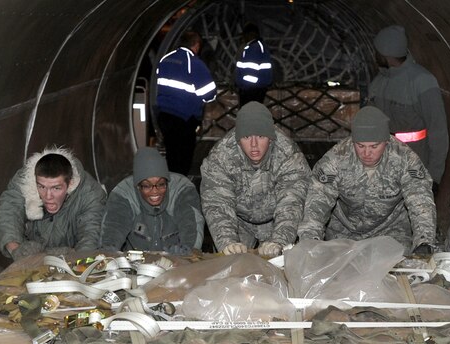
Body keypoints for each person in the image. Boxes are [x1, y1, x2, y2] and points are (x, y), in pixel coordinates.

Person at [298, 106, 436, 253]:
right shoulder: (336, 159)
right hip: (344, 232)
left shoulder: (405, 159)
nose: (366, 153)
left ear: (386, 142)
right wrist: (310, 241)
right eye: (360, 146)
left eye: (374, 146)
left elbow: (420, 201)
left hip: (391, 232)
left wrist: (424, 241)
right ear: (353, 141)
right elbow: (317, 202)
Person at [200, 101, 310, 256]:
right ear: (238, 140)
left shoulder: (288, 155)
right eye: (246, 137)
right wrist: (227, 242)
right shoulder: (221, 156)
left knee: (283, 269)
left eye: (260, 136)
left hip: (276, 221)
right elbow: (217, 203)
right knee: (231, 269)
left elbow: (292, 203)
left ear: (270, 138)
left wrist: (280, 241)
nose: (254, 145)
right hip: (239, 223)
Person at [366, 25, 448, 190]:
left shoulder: (422, 82)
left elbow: (438, 131)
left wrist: (434, 176)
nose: (374, 55)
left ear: (386, 53)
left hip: (413, 166)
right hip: (382, 167)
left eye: (377, 51)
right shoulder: (378, 82)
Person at [0, 147, 106, 259]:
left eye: (56, 188)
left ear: (70, 184)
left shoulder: (90, 193)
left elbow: (92, 235)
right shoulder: (24, 182)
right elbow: (7, 212)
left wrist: (72, 259)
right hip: (32, 256)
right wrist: (16, 251)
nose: (48, 196)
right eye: (41, 187)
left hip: (74, 255)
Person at [101, 147, 203, 254]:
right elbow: (112, 231)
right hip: (136, 264)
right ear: (137, 186)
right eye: (146, 186)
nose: (155, 191)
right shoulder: (123, 195)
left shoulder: (182, 191)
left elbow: (192, 227)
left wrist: (188, 251)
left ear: (167, 182)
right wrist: (109, 254)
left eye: (161, 184)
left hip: (176, 261)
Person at [155, 30, 218, 176]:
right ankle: (181, 188)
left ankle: (171, 186)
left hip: (164, 116)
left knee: (171, 155)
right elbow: (209, 95)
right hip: (184, 119)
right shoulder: (195, 63)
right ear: (196, 45)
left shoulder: (165, 59)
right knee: (183, 159)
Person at [235, 23, 273, 107]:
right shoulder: (259, 46)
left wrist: (243, 88)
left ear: (250, 34)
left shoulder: (253, 48)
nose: (243, 38)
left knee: (248, 115)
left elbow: (250, 73)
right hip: (256, 90)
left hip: (251, 92)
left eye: (244, 35)